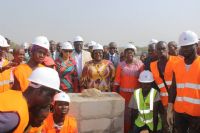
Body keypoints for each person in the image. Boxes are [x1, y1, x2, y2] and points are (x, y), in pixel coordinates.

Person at [0, 67, 60, 133]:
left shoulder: (13, 94)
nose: (51, 101)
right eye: (51, 95)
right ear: (39, 91)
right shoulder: (14, 116)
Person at [167, 30, 200, 133]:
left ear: (196, 45)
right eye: (183, 46)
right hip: (180, 112)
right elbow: (173, 88)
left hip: (197, 113)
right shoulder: (177, 65)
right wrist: (169, 110)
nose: (185, 49)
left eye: (188, 46)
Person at [150, 41, 182, 133]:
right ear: (155, 51)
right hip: (164, 103)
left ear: (168, 49)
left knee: (178, 128)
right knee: (166, 127)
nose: (161, 51)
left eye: (164, 48)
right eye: (159, 49)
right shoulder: (153, 65)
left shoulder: (178, 60)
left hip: (178, 101)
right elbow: (155, 85)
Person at [113, 43, 143, 133]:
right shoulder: (120, 65)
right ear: (124, 54)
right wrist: (115, 93)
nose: (129, 54)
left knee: (135, 113)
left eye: (131, 52)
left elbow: (142, 80)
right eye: (127, 52)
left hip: (136, 94)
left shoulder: (140, 64)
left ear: (134, 53)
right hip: (123, 95)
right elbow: (117, 81)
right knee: (125, 114)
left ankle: (134, 130)